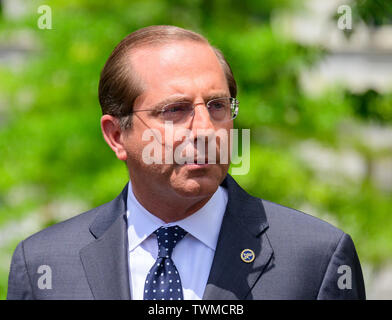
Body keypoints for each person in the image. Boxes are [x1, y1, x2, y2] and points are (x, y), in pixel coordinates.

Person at [7, 25, 365, 300]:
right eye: (175, 110)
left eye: (217, 106)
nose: (206, 130)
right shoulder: (44, 264)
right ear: (117, 135)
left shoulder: (315, 260)